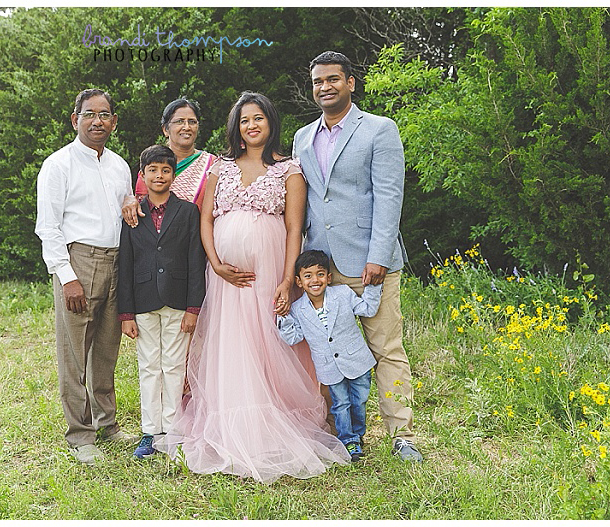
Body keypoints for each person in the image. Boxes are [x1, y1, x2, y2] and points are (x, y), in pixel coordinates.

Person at [155, 92, 350, 483]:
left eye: (258, 118)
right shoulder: (219, 168)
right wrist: (215, 263)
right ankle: (230, 417)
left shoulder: (289, 170)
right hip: (225, 275)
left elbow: (295, 227)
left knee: (266, 339)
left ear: (270, 123)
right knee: (231, 341)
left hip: (268, 271)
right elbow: (206, 220)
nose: (252, 125)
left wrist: (286, 279)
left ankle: (271, 418)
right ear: (236, 127)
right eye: (244, 120)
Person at [293, 51, 423, 462]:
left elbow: (389, 196)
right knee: (327, 350)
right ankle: (342, 431)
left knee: (386, 347)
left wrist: (379, 255)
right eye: (317, 81)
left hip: (370, 262)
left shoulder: (379, 130)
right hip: (321, 268)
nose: (324, 87)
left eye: (333, 79)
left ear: (351, 82)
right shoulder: (302, 138)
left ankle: (401, 434)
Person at [35, 89, 139, 465]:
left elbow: (127, 211)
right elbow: (48, 227)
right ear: (74, 119)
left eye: (105, 114)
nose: (98, 121)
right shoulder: (58, 165)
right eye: (89, 113)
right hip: (78, 261)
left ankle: (107, 423)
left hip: (116, 262)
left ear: (114, 121)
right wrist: (67, 276)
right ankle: (80, 435)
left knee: (106, 350)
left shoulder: (119, 165)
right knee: (74, 352)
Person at [117, 145, 206, 460]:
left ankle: (171, 431)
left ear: (174, 174)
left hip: (178, 301)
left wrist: (194, 308)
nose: (159, 175)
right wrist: (125, 312)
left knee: (172, 366)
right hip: (142, 301)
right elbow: (124, 264)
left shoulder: (187, 212)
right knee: (148, 366)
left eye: (166, 170)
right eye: (153, 170)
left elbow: (196, 261)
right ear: (143, 175)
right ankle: (149, 431)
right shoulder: (133, 214)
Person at [277, 250, 381, 462]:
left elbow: (367, 309)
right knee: (340, 404)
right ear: (299, 281)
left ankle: (358, 434)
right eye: (308, 276)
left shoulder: (343, 294)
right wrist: (284, 317)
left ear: (329, 277)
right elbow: (293, 338)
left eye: (320, 274)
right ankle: (348, 439)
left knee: (359, 400)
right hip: (329, 367)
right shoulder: (298, 309)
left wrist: (372, 286)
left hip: (357, 361)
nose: (315, 280)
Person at [133, 99, 215, 206]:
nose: (187, 127)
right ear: (165, 130)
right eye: (179, 121)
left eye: (192, 122)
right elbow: (141, 205)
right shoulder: (151, 163)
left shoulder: (211, 164)